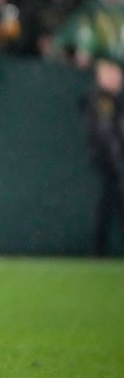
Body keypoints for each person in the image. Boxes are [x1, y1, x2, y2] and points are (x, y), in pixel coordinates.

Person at [84, 59, 124, 255]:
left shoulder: (112, 100)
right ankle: (97, 249)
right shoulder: (104, 100)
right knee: (109, 203)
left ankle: (98, 249)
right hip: (106, 162)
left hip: (109, 161)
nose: (119, 78)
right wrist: (115, 156)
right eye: (114, 74)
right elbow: (104, 131)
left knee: (110, 204)